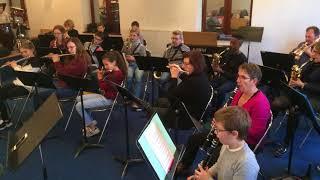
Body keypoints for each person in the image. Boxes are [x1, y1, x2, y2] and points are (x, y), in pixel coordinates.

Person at [177, 63, 270, 174]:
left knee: (215, 155)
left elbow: (256, 133)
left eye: (243, 77)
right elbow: (229, 113)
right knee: (194, 139)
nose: (238, 80)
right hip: (229, 132)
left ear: (254, 81)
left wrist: (226, 128)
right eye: (238, 76)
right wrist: (220, 121)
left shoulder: (261, 103)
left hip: (243, 140)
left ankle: (206, 173)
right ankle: (184, 166)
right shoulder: (239, 93)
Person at [272, 41, 320, 157]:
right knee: (276, 103)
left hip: (316, 98)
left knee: (295, 111)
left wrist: (303, 85)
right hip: (302, 92)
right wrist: (295, 78)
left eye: (316, 53)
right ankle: (264, 132)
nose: (312, 55)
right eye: (313, 51)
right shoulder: (312, 62)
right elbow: (302, 74)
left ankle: (286, 143)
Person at [187, 106, 260, 180]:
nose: (215, 132)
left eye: (218, 130)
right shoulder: (227, 145)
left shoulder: (247, 164)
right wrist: (204, 175)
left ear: (234, 134)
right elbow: (219, 165)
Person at [75, 51, 127, 137]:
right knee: (78, 99)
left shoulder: (116, 75)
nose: (105, 67)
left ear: (114, 62)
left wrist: (100, 78)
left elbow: (103, 87)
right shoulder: (114, 72)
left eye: (106, 64)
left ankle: (92, 127)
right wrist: (104, 75)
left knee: (79, 106)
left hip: (110, 99)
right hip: (105, 95)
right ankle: (89, 123)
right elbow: (106, 84)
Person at [158, 50, 210, 130]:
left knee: (152, 110)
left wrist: (174, 77)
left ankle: (164, 132)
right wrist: (180, 72)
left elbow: (171, 96)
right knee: (159, 102)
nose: (183, 66)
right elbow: (188, 79)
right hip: (189, 109)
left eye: (186, 64)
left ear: (196, 65)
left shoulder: (193, 82)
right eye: (183, 63)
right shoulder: (201, 75)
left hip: (187, 117)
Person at [0, 40, 41, 130]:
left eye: (25, 51)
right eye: (22, 52)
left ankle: (4, 121)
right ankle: (5, 120)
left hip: (28, 87)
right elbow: (21, 71)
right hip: (19, 83)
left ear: (32, 50)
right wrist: (12, 66)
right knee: (1, 91)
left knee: (2, 94)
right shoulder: (26, 61)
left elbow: (27, 76)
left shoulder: (36, 61)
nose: (23, 54)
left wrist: (15, 66)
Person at [211, 37, 247, 109]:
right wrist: (215, 65)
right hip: (222, 77)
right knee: (209, 86)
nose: (231, 45)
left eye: (234, 43)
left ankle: (217, 109)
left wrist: (221, 71)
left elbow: (237, 76)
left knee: (220, 91)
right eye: (230, 42)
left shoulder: (243, 58)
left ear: (240, 45)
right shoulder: (227, 53)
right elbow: (222, 65)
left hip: (233, 81)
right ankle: (210, 105)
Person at [159, 30, 190, 96]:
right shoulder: (168, 50)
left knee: (173, 82)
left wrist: (178, 66)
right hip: (168, 68)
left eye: (176, 39)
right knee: (161, 79)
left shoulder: (186, 49)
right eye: (172, 38)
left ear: (181, 40)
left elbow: (187, 63)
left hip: (179, 69)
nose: (174, 40)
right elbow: (163, 61)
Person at [121, 28, 146, 108]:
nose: (132, 37)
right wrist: (125, 61)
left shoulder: (141, 46)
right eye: (131, 35)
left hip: (139, 65)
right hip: (129, 64)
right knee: (128, 77)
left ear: (138, 37)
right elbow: (122, 54)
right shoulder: (126, 44)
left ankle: (136, 100)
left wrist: (134, 58)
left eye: (134, 35)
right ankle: (128, 97)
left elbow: (144, 59)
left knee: (138, 78)